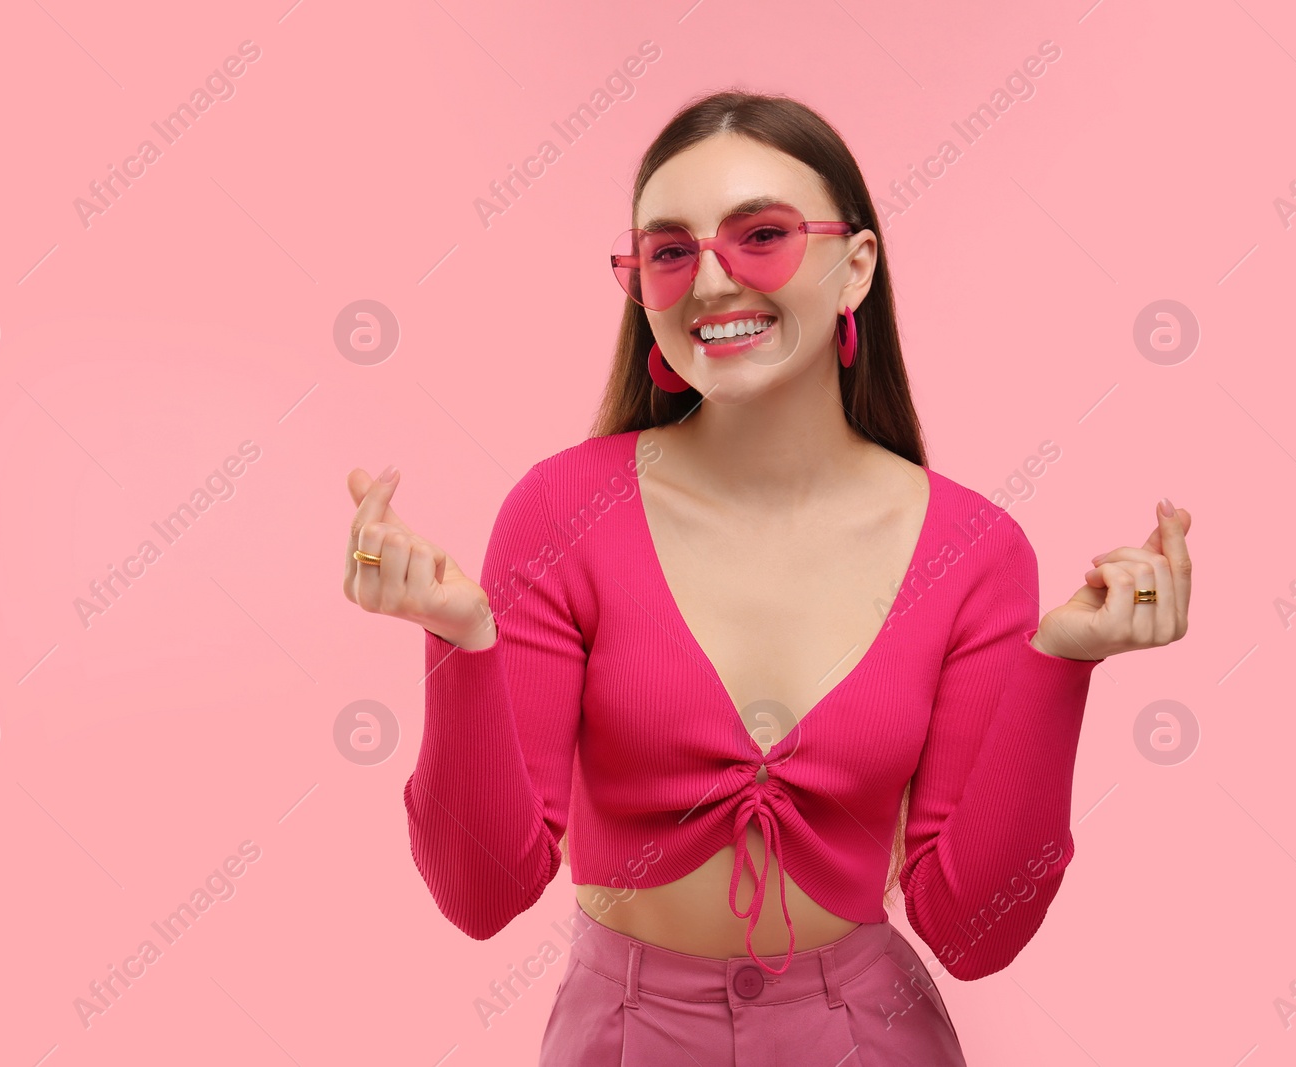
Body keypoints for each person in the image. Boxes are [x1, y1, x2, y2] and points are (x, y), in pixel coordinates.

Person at [343, 90, 1193, 1066]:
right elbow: (482, 895)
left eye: (761, 236)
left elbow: (973, 931)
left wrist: (1061, 662)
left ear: (855, 267)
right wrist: (459, 638)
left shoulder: (974, 547)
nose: (710, 281)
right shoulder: (558, 513)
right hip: (621, 1037)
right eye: (668, 252)